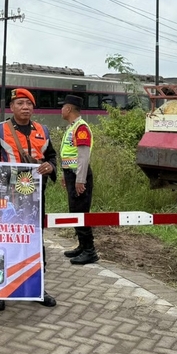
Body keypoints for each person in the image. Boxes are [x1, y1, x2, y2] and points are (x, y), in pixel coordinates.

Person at [0, 88, 57, 311]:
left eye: (29, 104)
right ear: (12, 107)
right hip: (8, 196)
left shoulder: (43, 130)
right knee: (4, 239)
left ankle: (36, 288)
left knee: (34, 239)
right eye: (20, 103)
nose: (25, 107)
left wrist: (51, 166)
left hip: (34, 196)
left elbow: (52, 156)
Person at [60, 94, 99, 265]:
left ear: (68, 109)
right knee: (75, 211)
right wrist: (65, 175)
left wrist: (80, 180)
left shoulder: (81, 128)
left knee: (81, 212)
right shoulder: (72, 127)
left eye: (63, 107)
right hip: (72, 174)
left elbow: (83, 156)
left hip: (79, 175)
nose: (61, 110)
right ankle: (82, 246)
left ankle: (90, 251)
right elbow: (68, 154)